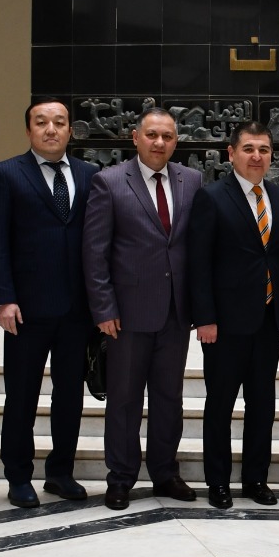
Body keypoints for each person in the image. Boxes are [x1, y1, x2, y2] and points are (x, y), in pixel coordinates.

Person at [82, 104, 203, 511]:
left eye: (167, 136)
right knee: (124, 399)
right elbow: (95, 253)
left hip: (176, 312)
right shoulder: (109, 182)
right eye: (152, 135)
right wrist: (103, 308)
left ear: (176, 141)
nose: (159, 142)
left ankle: (165, 473)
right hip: (127, 313)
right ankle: (121, 477)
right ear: (135, 138)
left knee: (169, 398)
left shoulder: (192, 180)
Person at [0, 99, 98, 509]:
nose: (51, 129)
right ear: (29, 130)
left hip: (76, 310)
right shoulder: (6, 174)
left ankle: (60, 472)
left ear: (70, 130)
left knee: (70, 396)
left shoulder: (89, 175)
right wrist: (3, 298)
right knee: (22, 396)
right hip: (25, 310)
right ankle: (18, 475)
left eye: (59, 122)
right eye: (42, 122)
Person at [188, 121, 279, 510]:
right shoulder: (211, 197)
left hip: (268, 319)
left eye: (263, 150)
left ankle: (255, 479)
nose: (256, 156)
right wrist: (204, 318)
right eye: (248, 149)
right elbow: (198, 262)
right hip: (225, 324)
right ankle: (218, 482)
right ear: (231, 154)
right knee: (220, 404)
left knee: (262, 405)